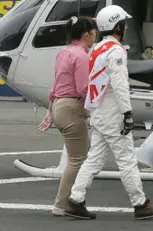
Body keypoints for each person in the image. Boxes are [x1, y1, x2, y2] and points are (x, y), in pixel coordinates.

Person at [64, 6, 153, 220]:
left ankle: (75, 200)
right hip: (113, 113)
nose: (126, 27)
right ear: (118, 26)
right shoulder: (115, 51)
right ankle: (140, 204)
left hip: (99, 112)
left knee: (94, 160)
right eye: (124, 23)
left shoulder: (97, 48)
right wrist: (127, 113)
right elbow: (120, 85)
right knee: (127, 160)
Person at [37, 16, 99, 217]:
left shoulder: (64, 52)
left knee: (79, 156)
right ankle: (63, 204)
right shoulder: (82, 56)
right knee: (78, 159)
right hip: (72, 107)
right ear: (87, 34)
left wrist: (50, 111)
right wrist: (97, 107)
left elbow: (55, 85)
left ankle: (72, 200)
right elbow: (83, 88)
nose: (95, 37)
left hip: (60, 105)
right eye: (94, 33)